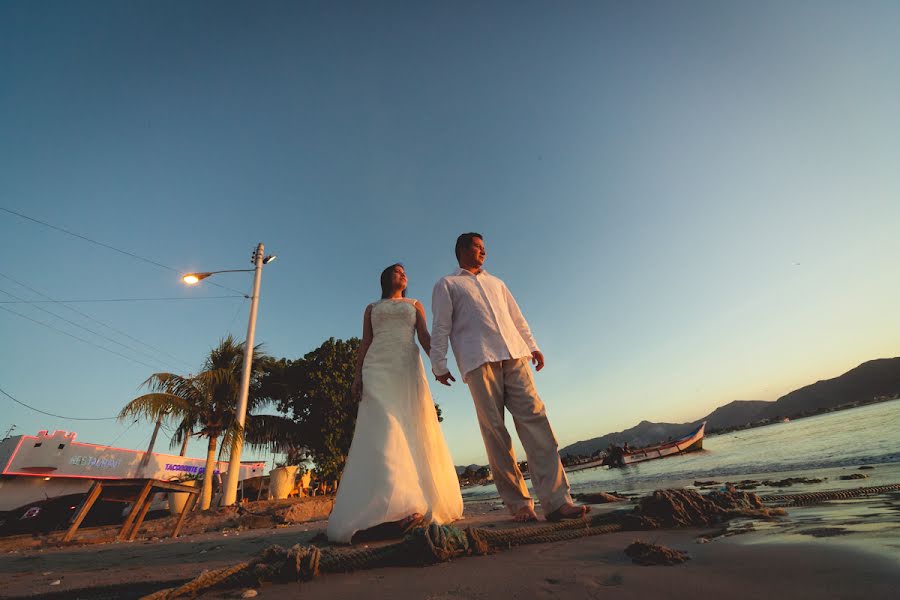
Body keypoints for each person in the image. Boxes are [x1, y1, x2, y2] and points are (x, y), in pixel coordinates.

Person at [430, 233, 589, 523]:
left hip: (515, 355)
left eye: (484, 247)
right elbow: (441, 325)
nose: (483, 251)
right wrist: (438, 364)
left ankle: (557, 501)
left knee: (537, 420)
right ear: (462, 250)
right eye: (477, 246)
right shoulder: (448, 284)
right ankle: (519, 505)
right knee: (495, 432)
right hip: (478, 360)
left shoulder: (498, 283)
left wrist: (533, 346)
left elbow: (516, 318)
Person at [326, 264, 463, 543]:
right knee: (383, 428)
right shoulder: (371, 308)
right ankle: (389, 509)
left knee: (408, 427)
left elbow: (424, 336)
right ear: (386, 277)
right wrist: (356, 377)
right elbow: (365, 343)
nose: (403, 275)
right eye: (397, 271)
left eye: (405, 273)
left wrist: (438, 365)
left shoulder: (414, 304)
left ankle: (407, 505)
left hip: (405, 365)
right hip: (376, 366)